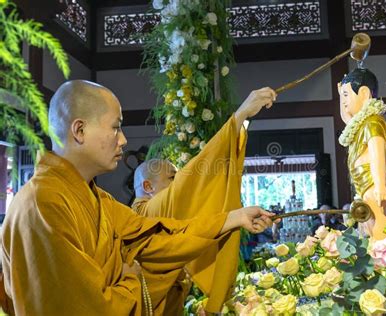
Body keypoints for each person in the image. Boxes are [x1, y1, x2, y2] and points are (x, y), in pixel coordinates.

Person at [1, 80, 276, 315]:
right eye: (115, 127)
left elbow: (157, 237)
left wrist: (233, 218)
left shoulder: (98, 199)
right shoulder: (43, 203)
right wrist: (133, 280)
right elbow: (82, 307)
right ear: (79, 130)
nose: (123, 140)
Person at [131, 88, 278, 313]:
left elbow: (200, 221)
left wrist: (240, 217)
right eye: (171, 177)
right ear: (147, 187)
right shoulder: (145, 212)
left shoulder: (161, 212)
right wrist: (240, 116)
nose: (178, 181)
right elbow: (191, 180)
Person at [338, 68, 386, 240]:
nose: (344, 101)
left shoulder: (372, 121)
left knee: (378, 220)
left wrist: (381, 184)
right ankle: (373, 253)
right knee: (366, 223)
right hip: (363, 182)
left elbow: (377, 151)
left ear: (364, 93)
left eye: (347, 95)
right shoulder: (359, 123)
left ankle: (382, 253)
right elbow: (346, 118)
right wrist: (341, 95)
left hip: (372, 180)